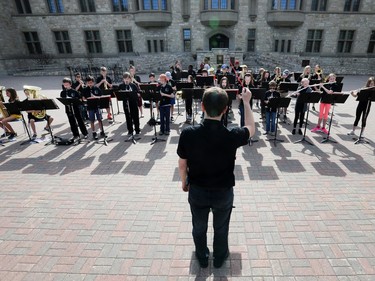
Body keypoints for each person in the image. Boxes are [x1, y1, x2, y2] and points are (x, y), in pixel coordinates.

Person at [177, 86, 255, 268]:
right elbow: (251, 128)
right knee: (221, 228)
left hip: (197, 189)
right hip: (223, 191)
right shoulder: (232, 135)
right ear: (226, 109)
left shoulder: (188, 133)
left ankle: (202, 256)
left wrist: (183, 182)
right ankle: (219, 257)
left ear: (202, 106)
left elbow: (182, 163)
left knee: (199, 226)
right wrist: (246, 102)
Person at [82, 76, 105, 140]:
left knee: (99, 119)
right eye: (88, 83)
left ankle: (101, 131)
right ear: (86, 83)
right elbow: (83, 98)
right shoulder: (85, 90)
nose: (90, 84)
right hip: (90, 107)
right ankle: (94, 133)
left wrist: (95, 96)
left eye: (91, 82)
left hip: (97, 106)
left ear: (93, 82)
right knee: (92, 120)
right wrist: (84, 99)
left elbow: (101, 96)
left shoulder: (96, 88)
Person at [118, 72, 140, 136]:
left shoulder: (133, 85)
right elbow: (119, 95)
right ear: (123, 79)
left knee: (135, 116)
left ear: (130, 79)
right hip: (126, 103)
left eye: (127, 78)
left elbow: (137, 93)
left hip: (133, 103)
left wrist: (137, 94)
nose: (126, 80)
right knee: (128, 117)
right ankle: (130, 130)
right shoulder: (121, 86)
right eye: (125, 79)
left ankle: (137, 130)